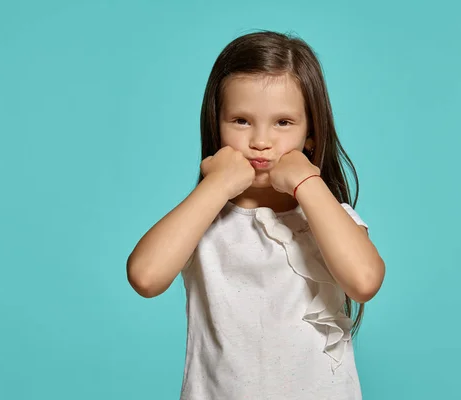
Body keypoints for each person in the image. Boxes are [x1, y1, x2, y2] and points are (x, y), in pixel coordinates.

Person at [127, 30, 386, 400]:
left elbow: (364, 282)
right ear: (217, 126)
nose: (260, 141)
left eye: (283, 123)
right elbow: (145, 277)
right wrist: (215, 186)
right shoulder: (203, 218)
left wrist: (308, 183)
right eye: (241, 121)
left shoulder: (327, 217)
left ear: (311, 134)